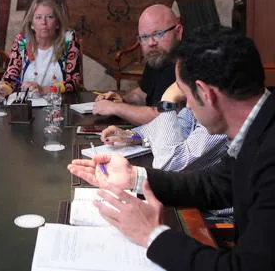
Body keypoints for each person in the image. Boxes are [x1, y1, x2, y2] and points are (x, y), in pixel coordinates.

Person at [68, 26, 274, 270]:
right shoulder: (259, 126)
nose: (187, 107)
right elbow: (214, 185)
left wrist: (151, 236)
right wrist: (135, 177)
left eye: (186, 96)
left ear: (207, 94)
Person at [101, 82, 228, 171]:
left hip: (202, 208)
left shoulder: (218, 119)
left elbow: (168, 164)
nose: (187, 105)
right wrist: (132, 137)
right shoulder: (195, 108)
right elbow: (173, 137)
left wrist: (168, 100)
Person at [94, 4, 181, 125]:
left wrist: (116, 108)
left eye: (158, 34)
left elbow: (165, 117)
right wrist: (120, 99)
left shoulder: (185, 65)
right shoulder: (158, 56)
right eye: (144, 37)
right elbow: (142, 94)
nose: (151, 43)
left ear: (178, 32)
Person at [0, 0, 82, 97]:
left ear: (57, 23)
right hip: (29, 104)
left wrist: (44, 89)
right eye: (38, 17)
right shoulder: (22, 42)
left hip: (60, 103)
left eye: (50, 17)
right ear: (31, 24)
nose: (43, 22)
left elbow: (74, 81)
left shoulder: (69, 40)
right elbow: (10, 78)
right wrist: (4, 89)